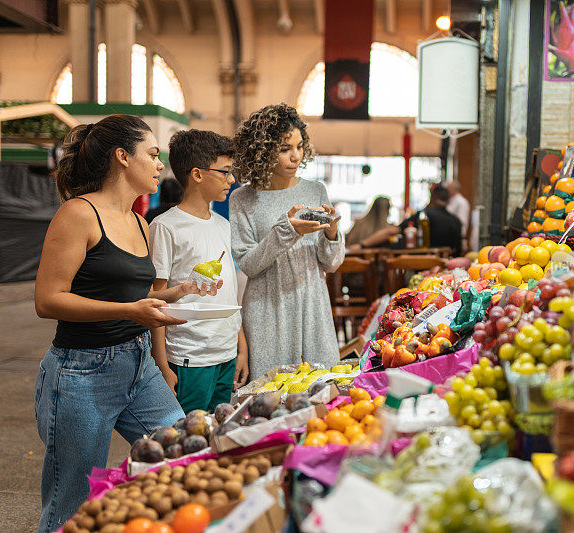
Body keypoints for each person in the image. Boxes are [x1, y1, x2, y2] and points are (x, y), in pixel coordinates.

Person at [33, 115, 217, 532]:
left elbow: (133, 297)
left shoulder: (138, 220)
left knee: (184, 458)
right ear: (122, 157)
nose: (159, 166)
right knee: (72, 505)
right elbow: (48, 301)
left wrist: (179, 291)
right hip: (81, 373)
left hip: (138, 367)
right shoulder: (78, 214)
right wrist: (129, 311)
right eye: (152, 155)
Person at [229, 103, 344, 378]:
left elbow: (331, 264)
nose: (295, 156)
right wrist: (287, 230)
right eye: (284, 149)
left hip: (313, 305)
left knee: (322, 392)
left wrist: (331, 234)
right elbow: (248, 265)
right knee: (269, 397)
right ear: (261, 150)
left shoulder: (316, 189)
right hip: (268, 309)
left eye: (300, 146)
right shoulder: (243, 198)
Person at [149, 129, 250, 413]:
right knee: (186, 434)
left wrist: (240, 347)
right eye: (225, 171)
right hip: (189, 357)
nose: (232, 179)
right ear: (197, 174)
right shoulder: (166, 227)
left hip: (226, 353)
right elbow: (155, 301)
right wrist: (162, 364)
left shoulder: (223, 225)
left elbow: (229, 293)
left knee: (217, 430)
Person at [358, 185, 463, 256]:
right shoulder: (456, 220)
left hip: (425, 267)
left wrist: (361, 245)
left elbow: (392, 231)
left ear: (432, 198)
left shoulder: (424, 215)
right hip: (450, 268)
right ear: (448, 200)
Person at [446, 180, 471, 252]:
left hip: (456, 239)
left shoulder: (461, 202)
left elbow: (461, 222)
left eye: (447, 189)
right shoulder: (451, 201)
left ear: (453, 189)